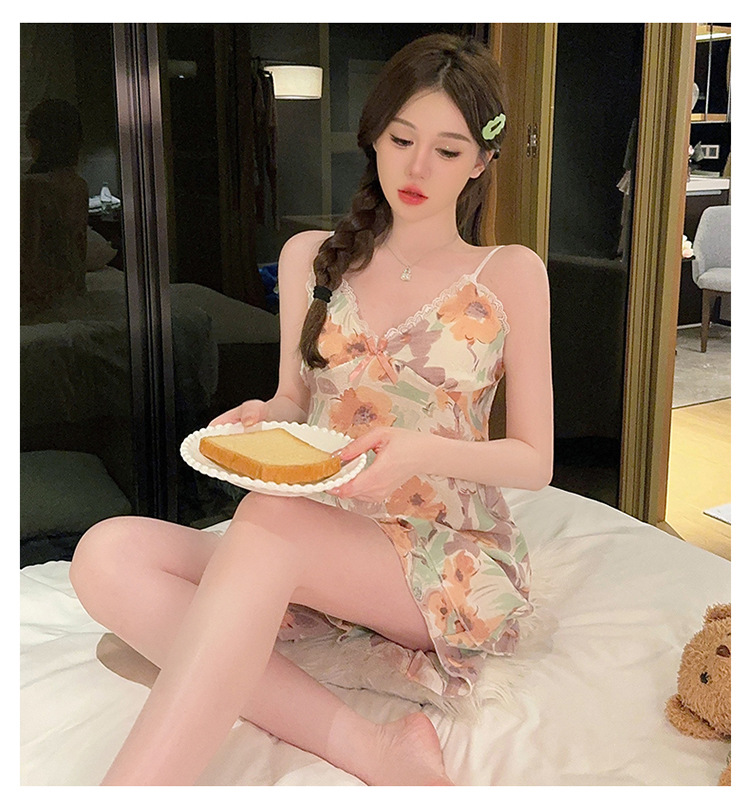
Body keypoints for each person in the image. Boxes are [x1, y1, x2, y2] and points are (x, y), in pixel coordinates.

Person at [69, 33, 553, 786]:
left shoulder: (510, 273)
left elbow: (534, 460)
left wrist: (418, 451)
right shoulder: (311, 257)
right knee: (106, 553)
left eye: (448, 150)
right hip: (317, 533)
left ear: (481, 161)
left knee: (269, 520)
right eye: (402, 139)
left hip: (441, 553)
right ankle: (371, 746)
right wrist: (261, 415)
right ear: (376, 136)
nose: (417, 168)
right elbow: (296, 399)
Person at [20, 98, 88, 320]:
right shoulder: (79, 185)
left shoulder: (32, 186)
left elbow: (27, 255)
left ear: (37, 142)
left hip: (40, 298)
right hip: (72, 293)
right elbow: (79, 250)